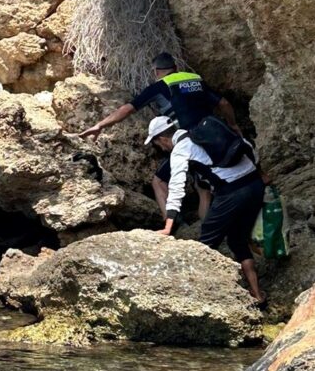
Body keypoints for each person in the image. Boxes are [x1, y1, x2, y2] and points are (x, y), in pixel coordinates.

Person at [79, 52, 241, 221]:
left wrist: (100, 125)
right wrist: (233, 124)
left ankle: (171, 225)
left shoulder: (159, 87)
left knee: (160, 181)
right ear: (176, 68)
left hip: (190, 141)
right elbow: (224, 103)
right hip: (216, 135)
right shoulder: (195, 79)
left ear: (156, 71)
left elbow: (127, 109)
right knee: (205, 187)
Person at [144, 115, 267, 307]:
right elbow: (245, 145)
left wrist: (168, 225)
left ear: (162, 139)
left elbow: (176, 187)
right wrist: (260, 174)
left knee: (205, 244)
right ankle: (257, 294)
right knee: (237, 239)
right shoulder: (203, 133)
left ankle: (190, 298)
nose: (161, 149)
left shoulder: (180, 150)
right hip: (254, 184)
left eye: (158, 145)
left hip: (232, 192)